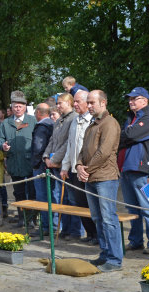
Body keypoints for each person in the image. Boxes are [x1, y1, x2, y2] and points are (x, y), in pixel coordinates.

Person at [76, 90, 122, 272]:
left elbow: (104, 152)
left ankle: (115, 259)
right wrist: (79, 166)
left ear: (103, 102)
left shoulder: (110, 123)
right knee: (97, 218)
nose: (88, 106)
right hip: (91, 177)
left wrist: (86, 169)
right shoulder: (91, 125)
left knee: (109, 218)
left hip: (105, 178)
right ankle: (105, 253)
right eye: (87, 102)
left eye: (92, 102)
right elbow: (82, 150)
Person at [118, 87, 149, 254]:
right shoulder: (131, 118)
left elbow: (130, 136)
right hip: (126, 168)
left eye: (135, 98)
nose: (131, 101)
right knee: (131, 208)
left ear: (145, 101)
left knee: (147, 207)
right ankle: (135, 241)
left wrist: (126, 135)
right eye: (130, 98)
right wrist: (126, 135)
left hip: (142, 169)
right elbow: (123, 138)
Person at [61, 90, 98, 244]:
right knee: (80, 203)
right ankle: (89, 233)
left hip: (89, 171)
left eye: (78, 101)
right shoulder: (75, 121)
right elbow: (70, 145)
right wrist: (65, 166)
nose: (75, 104)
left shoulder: (93, 121)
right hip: (75, 170)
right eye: (74, 102)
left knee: (92, 204)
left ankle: (97, 235)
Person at [0, 90, 37, 227]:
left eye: (20, 106)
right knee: (18, 191)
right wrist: (3, 145)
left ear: (25, 107)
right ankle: (21, 217)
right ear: (11, 108)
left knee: (32, 191)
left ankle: (32, 219)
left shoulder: (32, 121)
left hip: (30, 162)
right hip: (14, 162)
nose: (17, 109)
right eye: (15, 106)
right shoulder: (6, 123)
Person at [44, 93, 80, 241]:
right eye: (57, 103)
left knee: (72, 199)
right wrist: (46, 156)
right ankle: (65, 228)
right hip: (56, 164)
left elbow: (68, 143)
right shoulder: (59, 120)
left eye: (60, 103)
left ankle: (75, 230)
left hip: (67, 164)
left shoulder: (74, 118)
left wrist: (56, 159)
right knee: (62, 199)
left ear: (69, 103)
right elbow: (53, 140)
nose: (58, 106)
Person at [31, 103, 54, 236]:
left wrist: (35, 163)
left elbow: (38, 147)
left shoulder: (42, 126)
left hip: (41, 166)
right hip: (48, 164)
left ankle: (46, 227)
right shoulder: (52, 123)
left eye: (36, 112)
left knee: (43, 197)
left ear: (39, 112)